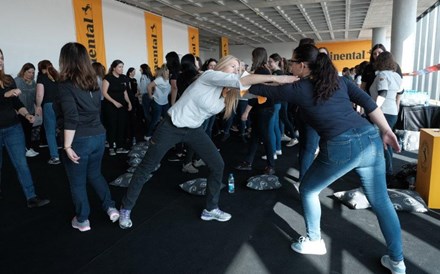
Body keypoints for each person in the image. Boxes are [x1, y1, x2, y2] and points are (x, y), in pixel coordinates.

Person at [247, 44, 406, 274]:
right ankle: (397, 262)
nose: (289, 66)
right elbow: (370, 106)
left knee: (309, 190)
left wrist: (282, 80)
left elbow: (253, 86)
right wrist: (386, 130)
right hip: (370, 138)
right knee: (381, 202)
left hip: (341, 145)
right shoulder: (339, 81)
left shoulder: (299, 88)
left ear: (302, 65)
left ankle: (314, 240)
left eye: (292, 62)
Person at [118, 55, 296, 229]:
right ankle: (126, 208)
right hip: (171, 126)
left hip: (194, 130)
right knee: (146, 167)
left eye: (239, 68)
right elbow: (243, 80)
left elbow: (258, 89)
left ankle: (210, 209)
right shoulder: (208, 76)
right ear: (222, 66)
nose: (237, 70)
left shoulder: (230, 92)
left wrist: (291, 85)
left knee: (217, 165)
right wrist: (277, 77)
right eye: (233, 66)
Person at [55, 42, 119, 232]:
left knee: (77, 182)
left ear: (64, 60)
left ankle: (82, 220)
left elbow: (71, 117)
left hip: (79, 139)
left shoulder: (65, 85)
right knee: (95, 174)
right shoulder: (93, 82)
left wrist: (67, 146)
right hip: (98, 135)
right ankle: (110, 207)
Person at [0, 49, 50, 208]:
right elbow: (7, 97)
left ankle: (31, 197)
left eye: (1, 58)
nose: (0, 61)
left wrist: (26, 114)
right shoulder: (7, 87)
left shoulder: (8, 80)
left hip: (13, 127)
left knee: (21, 163)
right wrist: (4, 95)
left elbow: (16, 103)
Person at [369, 51, 403, 181]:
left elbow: (383, 93)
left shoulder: (382, 75)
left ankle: (386, 172)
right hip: (392, 112)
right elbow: (401, 92)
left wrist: (374, 109)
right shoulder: (397, 76)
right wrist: (397, 106)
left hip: (382, 112)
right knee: (387, 142)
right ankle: (387, 171)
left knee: (382, 143)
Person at [101, 60, 132, 156]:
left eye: (122, 67)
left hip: (122, 106)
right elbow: (104, 93)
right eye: (119, 67)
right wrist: (114, 102)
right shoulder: (108, 78)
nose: (121, 69)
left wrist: (129, 103)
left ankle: (120, 147)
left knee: (121, 126)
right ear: (114, 68)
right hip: (110, 106)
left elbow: (124, 92)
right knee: (112, 126)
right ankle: (111, 147)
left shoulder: (123, 78)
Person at [35, 60, 61, 165]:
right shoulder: (58, 77)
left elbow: (39, 94)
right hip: (61, 105)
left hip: (49, 105)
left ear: (40, 68)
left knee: (50, 132)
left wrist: (38, 106)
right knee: (62, 128)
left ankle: (55, 157)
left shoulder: (42, 77)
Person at [15, 63, 39, 157]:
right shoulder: (17, 81)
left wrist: (38, 107)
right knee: (22, 131)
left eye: (33, 72)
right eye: (29, 72)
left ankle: (28, 147)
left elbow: (35, 97)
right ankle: (25, 149)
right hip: (21, 112)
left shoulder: (33, 82)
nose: (31, 74)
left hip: (30, 110)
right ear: (24, 71)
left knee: (28, 131)